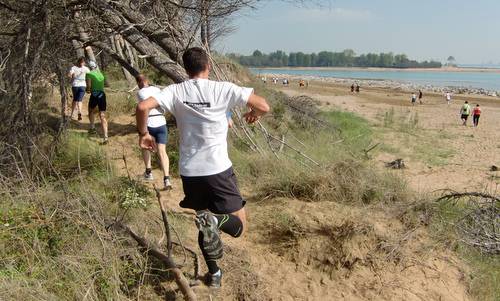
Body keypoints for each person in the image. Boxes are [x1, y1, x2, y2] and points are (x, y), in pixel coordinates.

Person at [136, 47, 269, 288]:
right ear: (208, 65)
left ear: (186, 69)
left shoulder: (175, 91)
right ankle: (217, 222)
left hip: (190, 172)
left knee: (203, 220)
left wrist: (144, 134)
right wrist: (254, 113)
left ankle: (215, 274)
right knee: (238, 226)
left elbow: (143, 107)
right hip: (218, 169)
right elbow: (263, 105)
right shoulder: (223, 88)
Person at [135, 74, 172, 189]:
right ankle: (167, 179)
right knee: (162, 151)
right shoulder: (157, 90)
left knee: (146, 147)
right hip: (161, 122)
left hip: (149, 123)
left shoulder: (139, 93)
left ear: (138, 83)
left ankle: (148, 172)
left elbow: (142, 108)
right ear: (147, 80)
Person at [86, 61, 108, 144]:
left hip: (94, 95)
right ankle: (106, 137)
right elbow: (103, 85)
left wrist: (88, 90)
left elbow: (89, 85)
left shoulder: (89, 74)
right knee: (102, 115)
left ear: (89, 67)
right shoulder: (101, 74)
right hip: (102, 95)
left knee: (90, 110)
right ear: (96, 66)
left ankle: (92, 128)